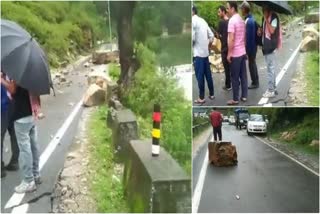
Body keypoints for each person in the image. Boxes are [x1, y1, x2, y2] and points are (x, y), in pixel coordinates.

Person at [1, 77, 42, 193]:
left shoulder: (18, 71)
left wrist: (1, 80)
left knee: (25, 148)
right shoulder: (30, 71)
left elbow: (13, 89)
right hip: (30, 112)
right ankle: (36, 174)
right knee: (33, 145)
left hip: (21, 114)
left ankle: (28, 181)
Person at [226, 1, 248, 105]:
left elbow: (231, 39)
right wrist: (244, 49)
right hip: (242, 52)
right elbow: (244, 37)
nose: (227, 10)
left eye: (227, 8)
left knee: (234, 77)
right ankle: (244, 96)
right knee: (243, 75)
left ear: (232, 9)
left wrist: (229, 53)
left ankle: (235, 99)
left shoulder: (232, 21)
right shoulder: (241, 20)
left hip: (235, 54)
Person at [192, 5, 215, 105]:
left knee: (199, 76)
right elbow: (212, 36)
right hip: (205, 53)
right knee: (208, 75)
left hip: (197, 54)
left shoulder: (193, 21)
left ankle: (201, 98)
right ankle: (212, 94)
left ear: (192, 11)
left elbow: (192, 39)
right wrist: (208, 46)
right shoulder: (203, 21)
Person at [258, 4, 282, 98]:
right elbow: (263, 30)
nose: (263, 12)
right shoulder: (264, 18)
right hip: (266, 45)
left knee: (270, 69)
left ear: (268, 10)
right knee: (271, 68)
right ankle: (274, 88)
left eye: (264, 10)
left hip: (271, 45)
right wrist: (260, 31)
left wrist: (266, 20)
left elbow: (272, 30)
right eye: (263, 10)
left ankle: (271, 90)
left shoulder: (274, 17)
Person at [1, 72, 19, 178]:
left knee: (6, 133)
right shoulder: (12, 65)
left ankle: (3, 167)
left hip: (6, 104)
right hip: (9, 103)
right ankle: (14, 161)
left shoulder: (11, 69)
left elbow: (13, 89)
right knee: (13, 132)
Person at [240, 1, 259, 89]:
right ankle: (256, 81)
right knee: (253, 63)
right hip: (253, 46)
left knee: (251, 64)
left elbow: (248, 38)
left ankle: (255, 82)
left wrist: (246, 50)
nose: (241, 10)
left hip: (251, 47)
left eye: (241, 9)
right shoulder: (251, 18)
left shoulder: (249, 21)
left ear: (244, 9)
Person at [216, 5, 231, 91]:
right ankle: (236, 82)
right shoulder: (230, 21)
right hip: (230, 47)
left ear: (223, 12)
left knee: (226, 67)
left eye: (219, 12)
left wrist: (217, 34)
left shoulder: (221, 22)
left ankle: (228, 85)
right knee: (232, 67)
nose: (218, 14)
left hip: (224, 48)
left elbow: (218, 36)